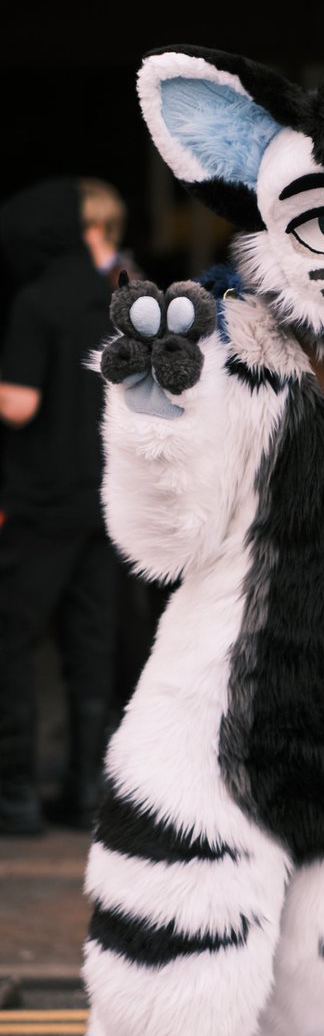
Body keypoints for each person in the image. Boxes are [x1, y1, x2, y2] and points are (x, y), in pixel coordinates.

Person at [0, 176, 127, 834]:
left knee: (13, 638)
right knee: (92, 645)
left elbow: (18, 404)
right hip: (107, 501)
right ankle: (84, 790)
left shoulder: (37, 301)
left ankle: (16, 792)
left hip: (42, 499)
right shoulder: (120, 301)